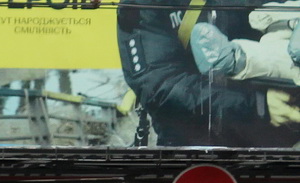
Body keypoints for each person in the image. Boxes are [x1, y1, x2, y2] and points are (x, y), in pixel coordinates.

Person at [118, 0, 300, 146]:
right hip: (190, 150)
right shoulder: (144, 5)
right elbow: (158, 87)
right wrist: (258, 105)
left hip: (282, 146)